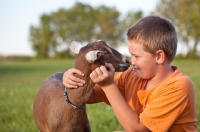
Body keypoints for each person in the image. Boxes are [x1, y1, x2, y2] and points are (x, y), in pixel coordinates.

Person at [63, 16, 197, 132]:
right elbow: (90, 95)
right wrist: (72, 81)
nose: (131, 61)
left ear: (159, 57)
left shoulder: (179, 86)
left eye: (136, 56)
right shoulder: (132, 76)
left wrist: (109, 85)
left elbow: (138, 129)